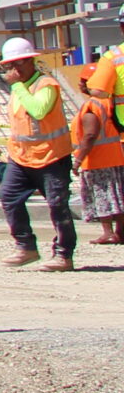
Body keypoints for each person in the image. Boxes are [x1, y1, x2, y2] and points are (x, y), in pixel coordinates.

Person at [0, 37, 76, 271]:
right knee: (9, 197)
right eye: (10, 65)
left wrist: (17, 86)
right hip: (22, 158)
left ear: (31, 61)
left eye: (19, 63)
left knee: (57, 206)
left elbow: (39, 111)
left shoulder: (45, 84)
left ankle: (63, 255)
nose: (14, 69)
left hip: (51, 157)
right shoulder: (19, 90)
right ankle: (25, 246)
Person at [74, 52, 124, 247]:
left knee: (102, 195)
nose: (79, 84)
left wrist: (78, 159)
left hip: (97, 160)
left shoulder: (91, 106)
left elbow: (89, 135)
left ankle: (107, 232)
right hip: (115, 157)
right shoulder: (110, 102)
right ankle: (120, 232)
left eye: (82, 80)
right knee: (117, 195)